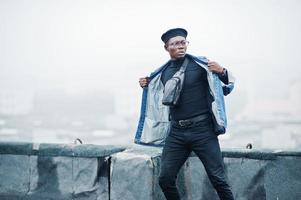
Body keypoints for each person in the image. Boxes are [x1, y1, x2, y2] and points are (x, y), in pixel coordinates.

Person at [135, 28, 235, 200]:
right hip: (176, 133)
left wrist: (222, 71)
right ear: (167, 48)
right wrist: (146, 83)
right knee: (165, 179)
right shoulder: (162, 73)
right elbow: (156, 94)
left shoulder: (201, 65)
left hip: (203, 131)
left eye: (183, 42)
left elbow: (225, 88)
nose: (180, 46)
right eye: (175, 44)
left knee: (218, 179)